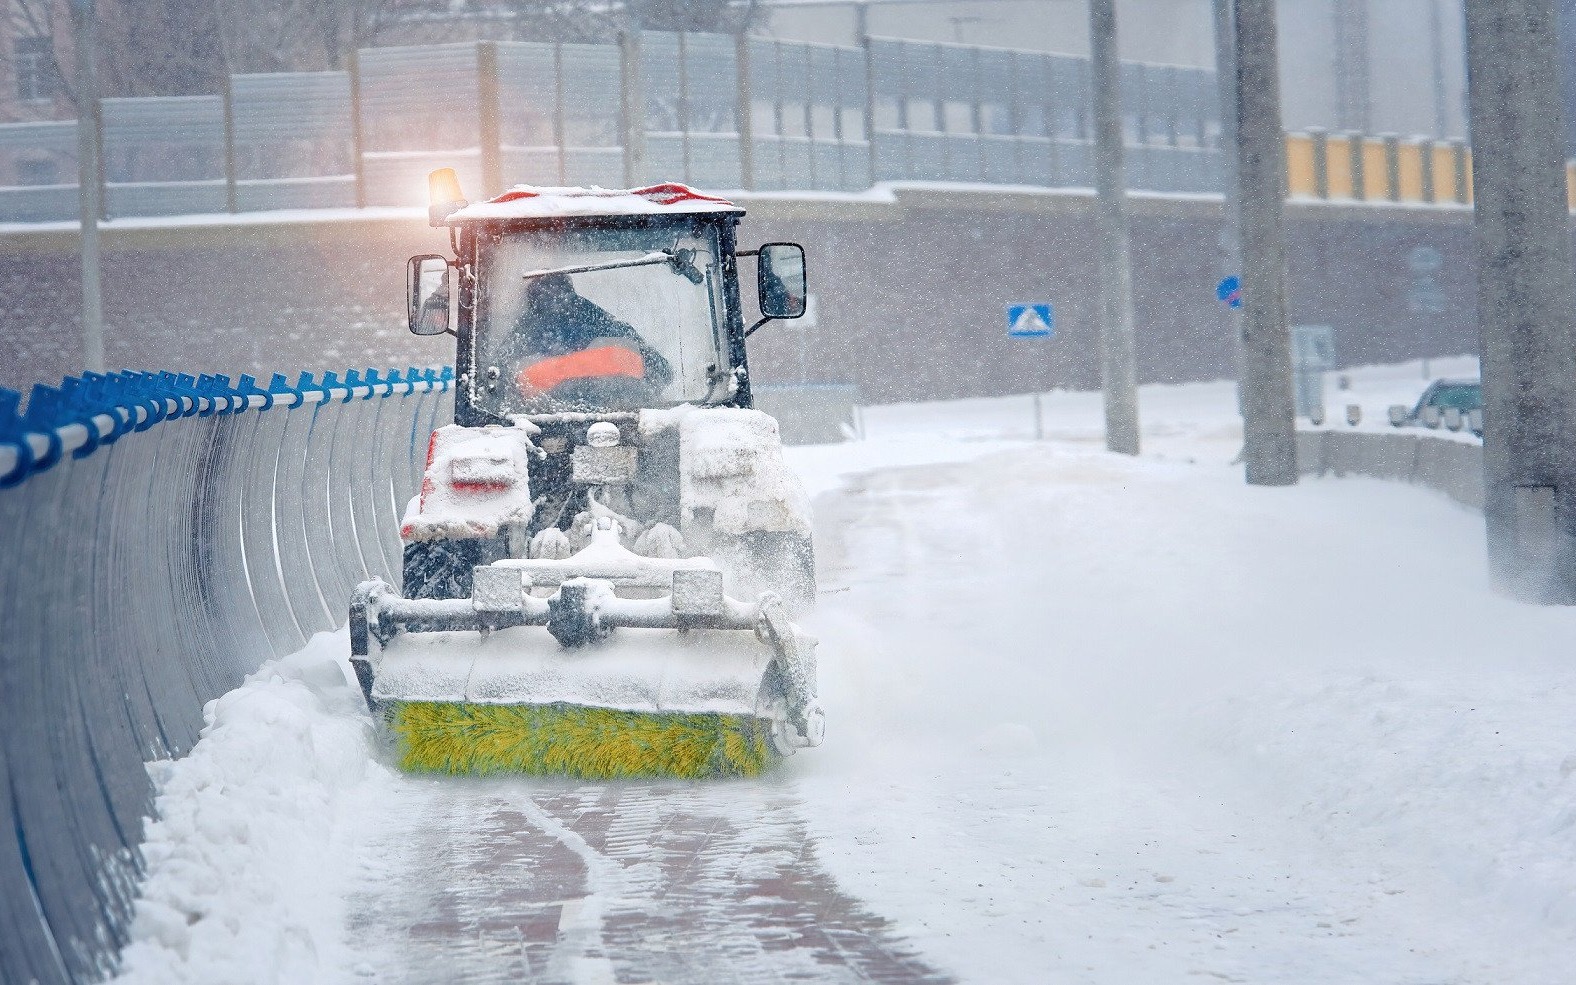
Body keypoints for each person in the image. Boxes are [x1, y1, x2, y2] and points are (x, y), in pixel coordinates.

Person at [511, 272, 673, 406]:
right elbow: (663, 372)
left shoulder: (525, 332)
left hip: (547, 425)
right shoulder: (603, 322)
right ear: (570, 289)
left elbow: (495, 384)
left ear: (531, 298)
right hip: (621, 415)